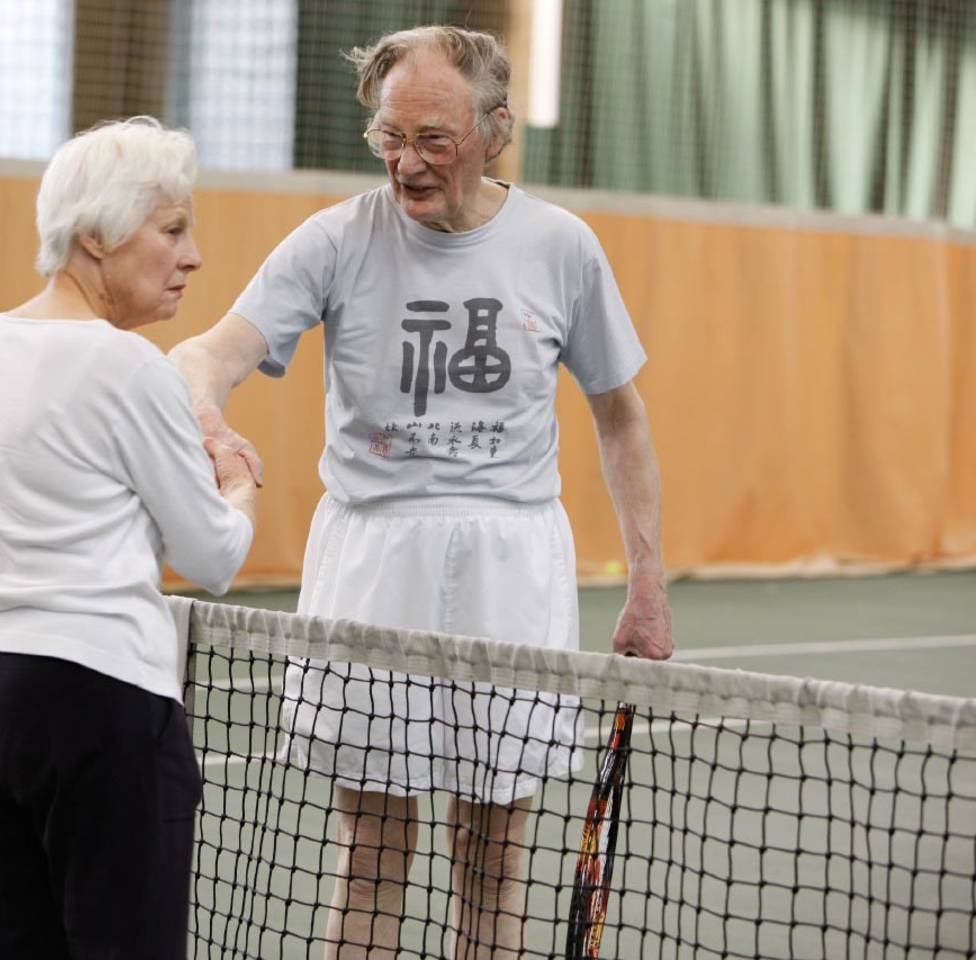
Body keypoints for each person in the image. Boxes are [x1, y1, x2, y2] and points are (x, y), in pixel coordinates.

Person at [169, 25, 673, 960]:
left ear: (495, 128)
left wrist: (647, 583)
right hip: (370, 559)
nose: (406, 164)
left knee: (493, 859)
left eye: (432, 140)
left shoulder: (563, 248)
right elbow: (207, 352)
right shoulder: (334, 239)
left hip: (511, 565)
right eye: (389, 138)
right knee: (369, 853)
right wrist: (207, 413)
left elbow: (622, 416)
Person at [0, 117, 258, 959]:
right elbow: (213, 556)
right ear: (97, 235)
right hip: (100, 709)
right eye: (171, 230)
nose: (194, 255)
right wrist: (240, 483)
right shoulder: (132, 368)